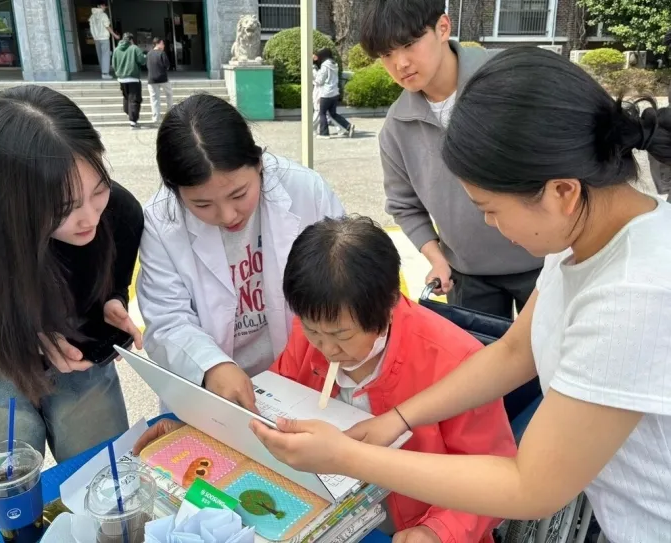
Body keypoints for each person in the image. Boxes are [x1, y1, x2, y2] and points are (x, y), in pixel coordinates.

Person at [251, 47, 671, 542]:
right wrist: (397, 420)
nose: (487, 225)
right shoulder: (586, 235)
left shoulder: (633, 294)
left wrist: (348, 456)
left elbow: (531, 485)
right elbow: (516, 350)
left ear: (562, 192)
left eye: (489, 208)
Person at [134, 215, 516, 543]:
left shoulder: (459, 362)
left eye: (341, 336)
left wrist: (438, 530)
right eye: (313, 331)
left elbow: (496, 473)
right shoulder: (310, 334)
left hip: (411, 523)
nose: (325, 348)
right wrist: (194, 433)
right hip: (320, 514)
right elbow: (267, 419)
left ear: (387, 306)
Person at [0, 85, 144, 507]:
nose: (90, 217)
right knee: (3, 505)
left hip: (80, 359)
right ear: (5, 201)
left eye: (98, 189)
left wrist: (111, 302)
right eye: (64, 206)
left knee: (108, 487)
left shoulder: (119, 212)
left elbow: (111, 280)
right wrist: (23, 337)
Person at [137, 94, 344, 412]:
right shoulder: (161, 220)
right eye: (202, 205)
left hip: (301, 378)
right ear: (174, 191)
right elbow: (167, 320)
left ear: (259, 163)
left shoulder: (305, 191)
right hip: (212, 391)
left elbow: (343, 279)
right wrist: (211, 366)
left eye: (239, 194)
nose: (228, 215)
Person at [361, 0, 543, 319]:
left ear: (443, 27)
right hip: (467, 275)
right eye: (387, 54)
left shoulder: (511, 78)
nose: (400, 63)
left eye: (409, 44)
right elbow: (404, 205)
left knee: (552, 362)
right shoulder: (396, 127)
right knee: (481, 364)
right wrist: (437, 258)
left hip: (546, 263)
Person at [314, 48, 355, 139]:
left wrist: (314, 79)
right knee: (333, 114)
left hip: (326, 93)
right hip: (335, 93)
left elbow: (320, 80)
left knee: (322, 113)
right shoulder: (334, 64)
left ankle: (324, 134)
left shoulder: (325, 65)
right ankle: (348, 126)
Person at [112, 32, 147, 129]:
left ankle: (128, 112)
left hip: (121, 78)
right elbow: (142, 61)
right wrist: (145, 57)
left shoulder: (116, 49)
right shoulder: (134, 48)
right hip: (133, 78)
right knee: (134, 99)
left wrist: (119, 72)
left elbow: (114, 64)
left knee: (126, 97)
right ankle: (133, 121)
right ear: (131, 40)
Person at [88, 0, 119, 79]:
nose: (105, 7)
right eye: (105, 6)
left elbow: (91, 28)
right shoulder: (103, 15)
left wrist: (94, 36)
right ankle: (105, 73)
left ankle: (103, 71)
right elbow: (107, 26)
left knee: (100, 55)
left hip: (96, 38)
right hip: (104, 38)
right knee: (105, 55)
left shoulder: (92, 16)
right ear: (101, 6)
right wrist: (115, 35)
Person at [147, 37, 174, 124]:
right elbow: (167, 65)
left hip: (151, 80)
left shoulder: (149, 53)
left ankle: (155, 118)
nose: (164, 45)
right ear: (157, 44)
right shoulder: (162, 53)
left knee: (154, 98)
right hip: (163, 79)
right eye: (162, 43)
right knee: (169, 94)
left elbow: (147, 65)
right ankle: (170, 113)